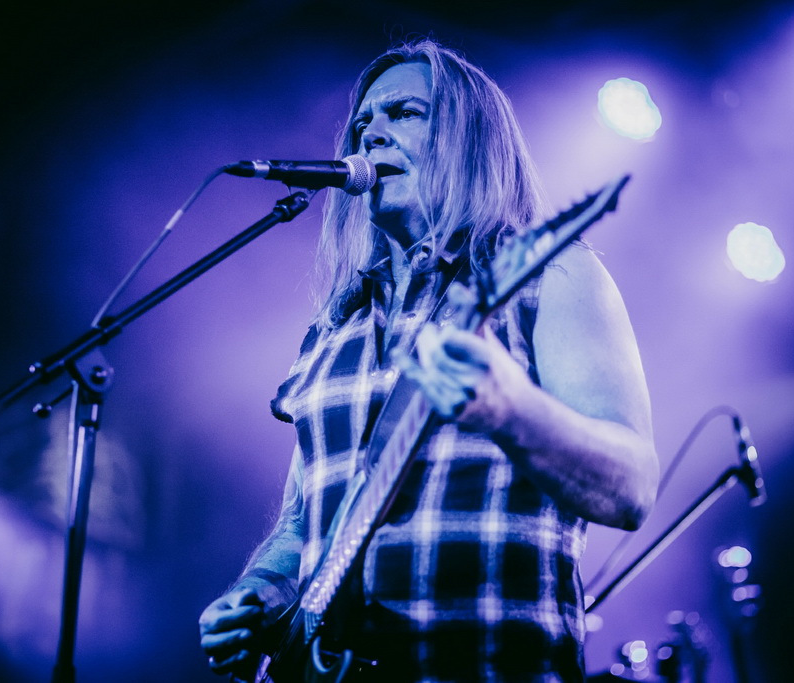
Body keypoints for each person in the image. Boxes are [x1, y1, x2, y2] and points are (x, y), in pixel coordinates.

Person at [199, 38, 659, 682]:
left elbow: (630, 487)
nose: (370, 134)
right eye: (362, 122)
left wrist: (511, 410)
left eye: (404, 113)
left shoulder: (552, 278)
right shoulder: (333, 329)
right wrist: (259, 594)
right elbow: (303, 519)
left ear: (472, 143)